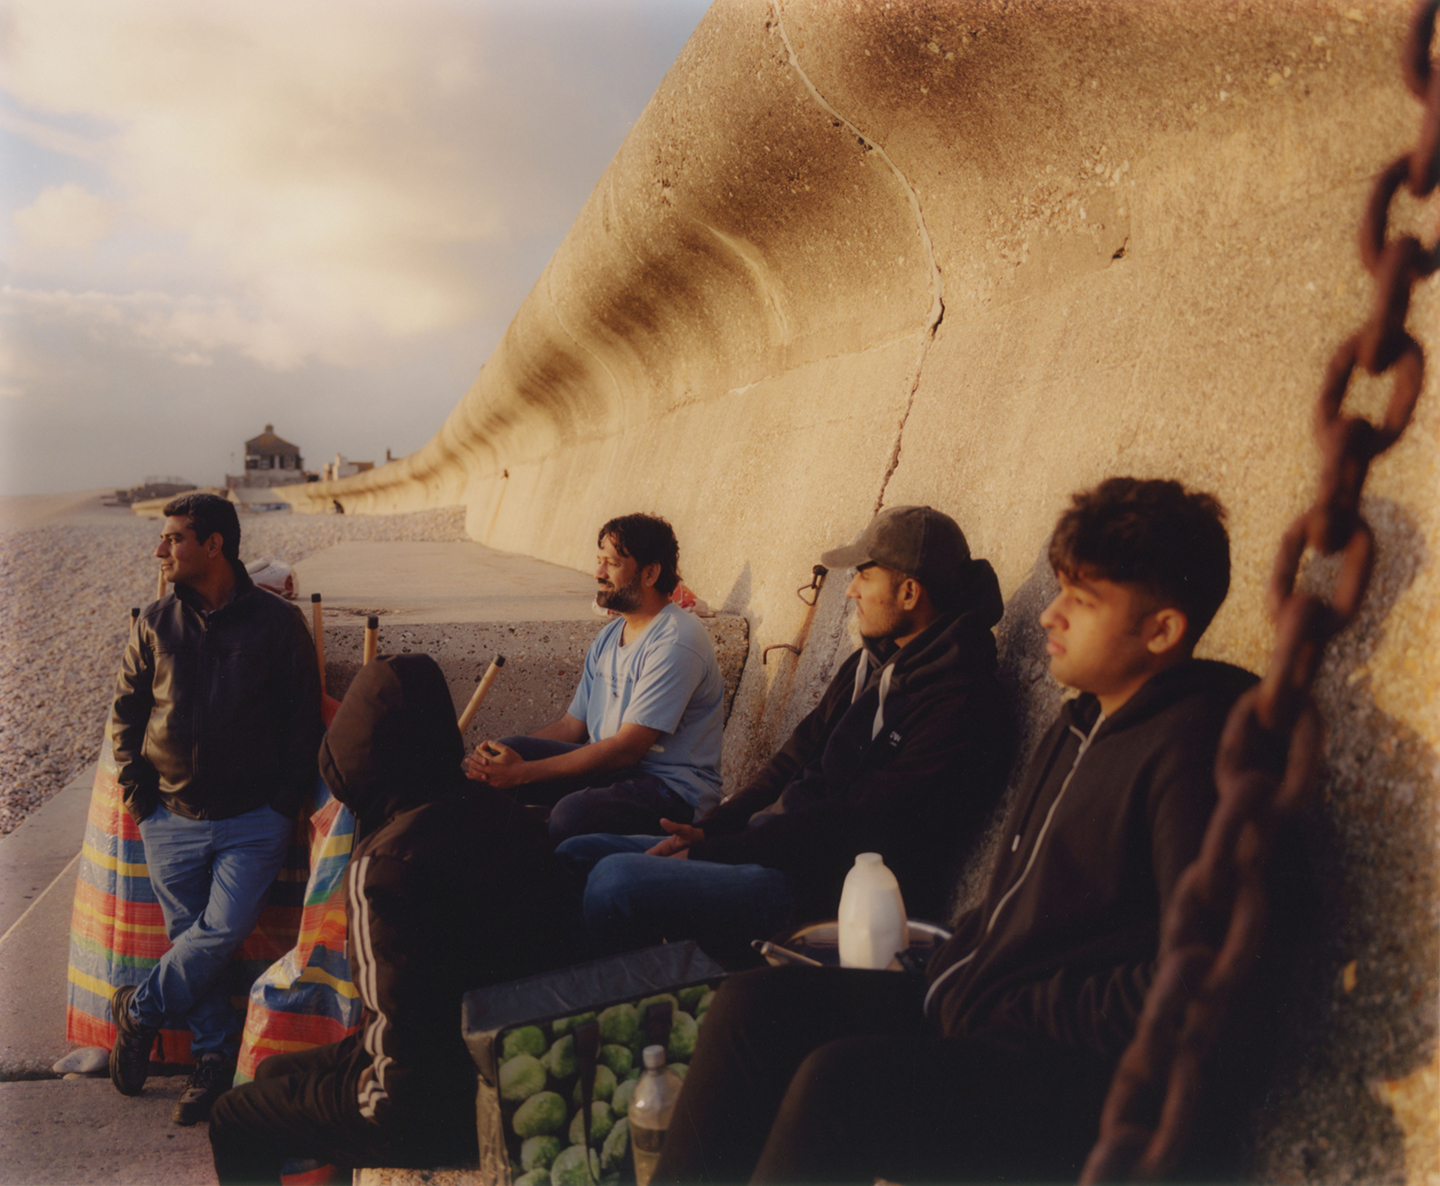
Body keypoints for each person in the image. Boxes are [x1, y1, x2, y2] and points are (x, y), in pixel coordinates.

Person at [652, 478, 1282, 1184]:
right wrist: (959, 965)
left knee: (844, 1085)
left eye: (1084, 599)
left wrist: (1009, 998)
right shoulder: (1079, 725)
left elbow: (1200, 989)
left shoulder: (1199, 751)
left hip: (1073, 1072)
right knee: (753, 1006)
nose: (1049, 615)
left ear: (1161, 630)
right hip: (985, 1006)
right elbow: (1017, 905)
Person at [556, 505, 1015, 964]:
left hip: (815, 887)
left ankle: (613, 1007)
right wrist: (707, 831)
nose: (851, 590)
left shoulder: (960, 700)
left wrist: (718, 852)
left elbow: (859, 825)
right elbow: (789, 761)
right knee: (578, 853)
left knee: (615, 880)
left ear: (910, 592)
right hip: (765, 846)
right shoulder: (870, 664)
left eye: (864, 576)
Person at [208, 654, 564, 1183]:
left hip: (425, 1107)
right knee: (274, 1072)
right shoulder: (507, 815)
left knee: (232, 1116)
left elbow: (396, 1051)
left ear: (359, 753)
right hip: (509, 1065)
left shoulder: (383, 868)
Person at [107, 493, 322, 1124]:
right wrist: (140, 794)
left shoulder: (278, 625)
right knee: (191, 940)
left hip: (255, 819)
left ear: (214, 545)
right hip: (168, 816)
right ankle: (210, 1062)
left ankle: (138, 1010)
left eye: (173, 538)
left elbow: (303, 720)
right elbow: (126, 712)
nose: (160, 550)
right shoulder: (154, 621)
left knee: (218, 932)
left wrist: (283, 804)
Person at [465, 513, 725, 843]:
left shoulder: (677, 640)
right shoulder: (611, 635)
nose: (598, 573)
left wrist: (522, 774)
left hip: (672, 791)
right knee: (502, 756)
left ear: (650, 572)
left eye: (611, 564)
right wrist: (503, 761)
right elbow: (572, 727)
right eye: (599, 561)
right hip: (617, 772)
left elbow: (625, 750)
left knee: (572, 815)